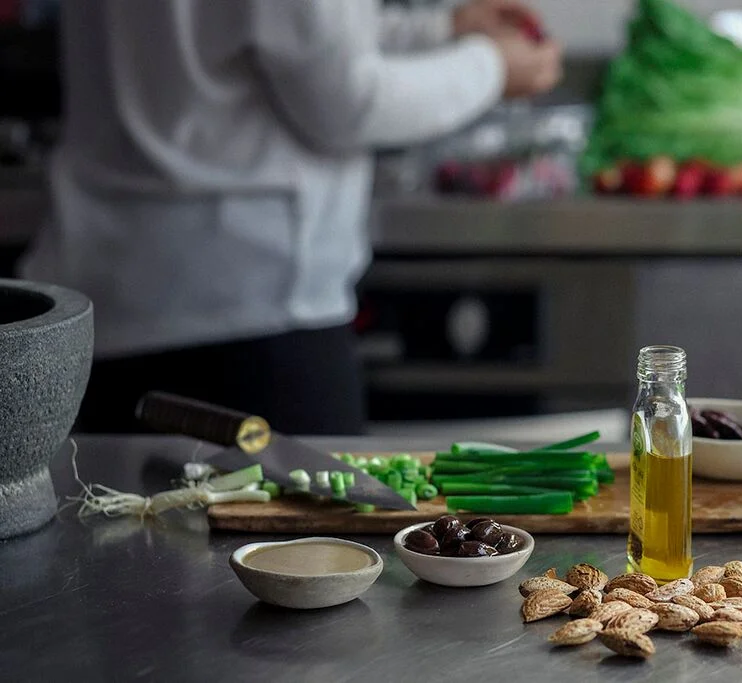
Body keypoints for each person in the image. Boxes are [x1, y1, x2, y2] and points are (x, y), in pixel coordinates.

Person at [19, 0, 562, 434]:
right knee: (306, 558)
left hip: (105, 303)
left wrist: (443, 28)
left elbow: (275, 35)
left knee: (118, 555)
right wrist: (489, 66)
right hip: (255, 312)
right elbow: (347, 101)